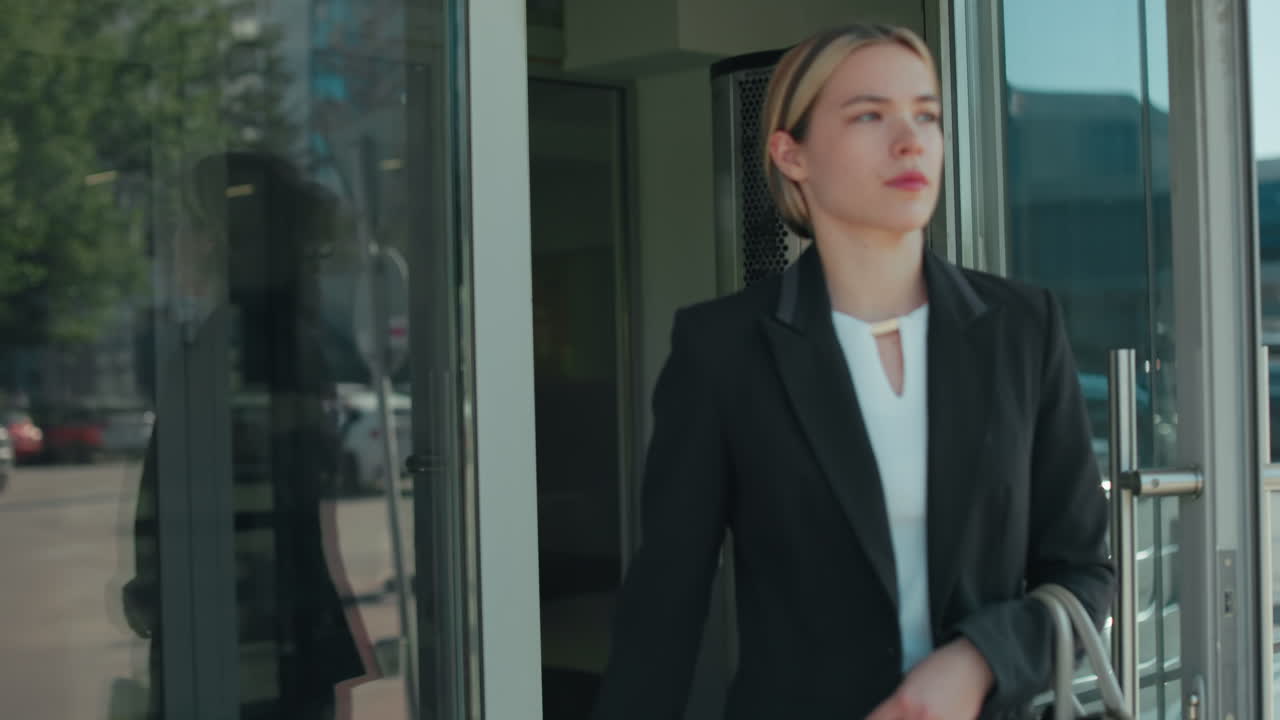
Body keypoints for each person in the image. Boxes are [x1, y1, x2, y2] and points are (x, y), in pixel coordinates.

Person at [590, 23, 1113, 720]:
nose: (910, 141)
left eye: (925, 115)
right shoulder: (721, 347)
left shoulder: (1023, 329)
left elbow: (1083, 573)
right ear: (791, 153)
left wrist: (978, 659)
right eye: (870, 115)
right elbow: (664, 610)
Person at [123, 151, 372, 719]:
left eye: (189, 222)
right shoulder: (256, 333)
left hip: (245, 642)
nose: (177, 239)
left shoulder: (246, 341)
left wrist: (159, 587)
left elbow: (251, 497)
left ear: (219, 240)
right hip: (249, 636)